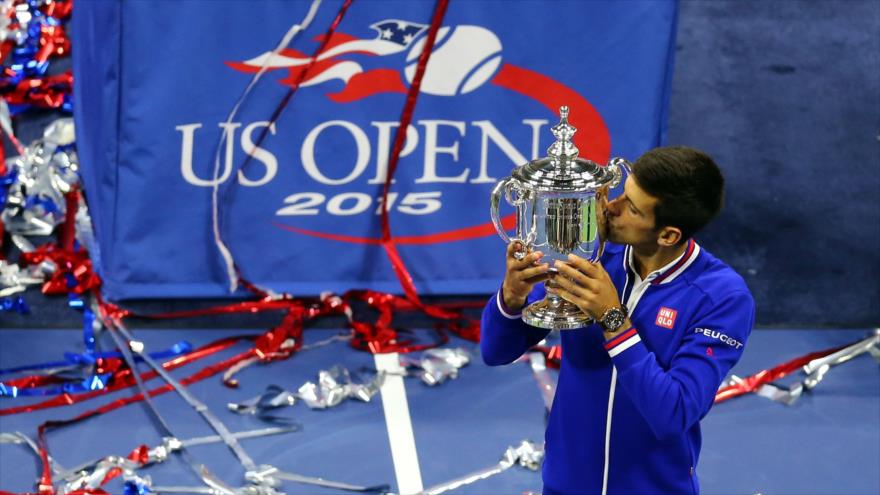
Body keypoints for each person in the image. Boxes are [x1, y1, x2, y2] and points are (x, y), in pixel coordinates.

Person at [481, 146, 755, 495]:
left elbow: (674, 413)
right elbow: (495, 351)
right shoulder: (591, 255)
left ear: (668, 235)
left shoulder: (722, 298)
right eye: (621, 193)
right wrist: (513, 295)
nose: (610, 208)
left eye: (632, 208)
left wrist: (613, 319)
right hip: (564, 484)